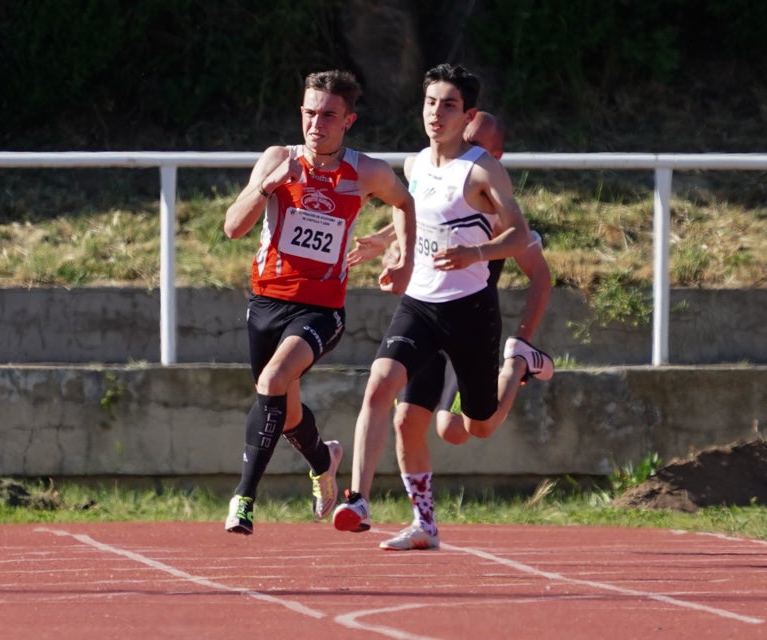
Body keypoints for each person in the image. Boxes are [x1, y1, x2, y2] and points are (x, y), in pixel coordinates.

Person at [332, 64, 551, 551]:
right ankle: (366, 502)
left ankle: (517, 365)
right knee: (388, 397)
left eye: (449, 105)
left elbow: (517, 234)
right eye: (431, 102)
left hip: (470, 312)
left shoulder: (482, 170)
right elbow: (413, 208)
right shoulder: (413, 165)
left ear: (466, 115)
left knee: (476, 426)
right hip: (421, 305)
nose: (436, 113)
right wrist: (392, 249)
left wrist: (474, 254)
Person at [221, 69, 415, 536]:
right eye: (309, 112)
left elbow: (409, 203)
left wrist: (398, 251)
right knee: (284, 410)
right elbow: (232, 227)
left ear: (349, 120)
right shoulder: (276, 158)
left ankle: (243, 499)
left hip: (321, 310)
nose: (316, 123)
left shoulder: (366, 171)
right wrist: (268, 184)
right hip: (266, 302)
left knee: (271, 379)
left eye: (328, 115)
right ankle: (323, 458)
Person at [346, 110, 554, 446]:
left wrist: (522, 339)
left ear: (494, 158)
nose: (462, 149)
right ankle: (382, 498)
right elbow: (423, 214)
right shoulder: (439, 175)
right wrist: (388, 242)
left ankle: (518, 364)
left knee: (463, 430)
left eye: (473, 144)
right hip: (426, 313)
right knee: (404, 417)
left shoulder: (499, 209)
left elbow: (541, 276)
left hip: (469, 322)